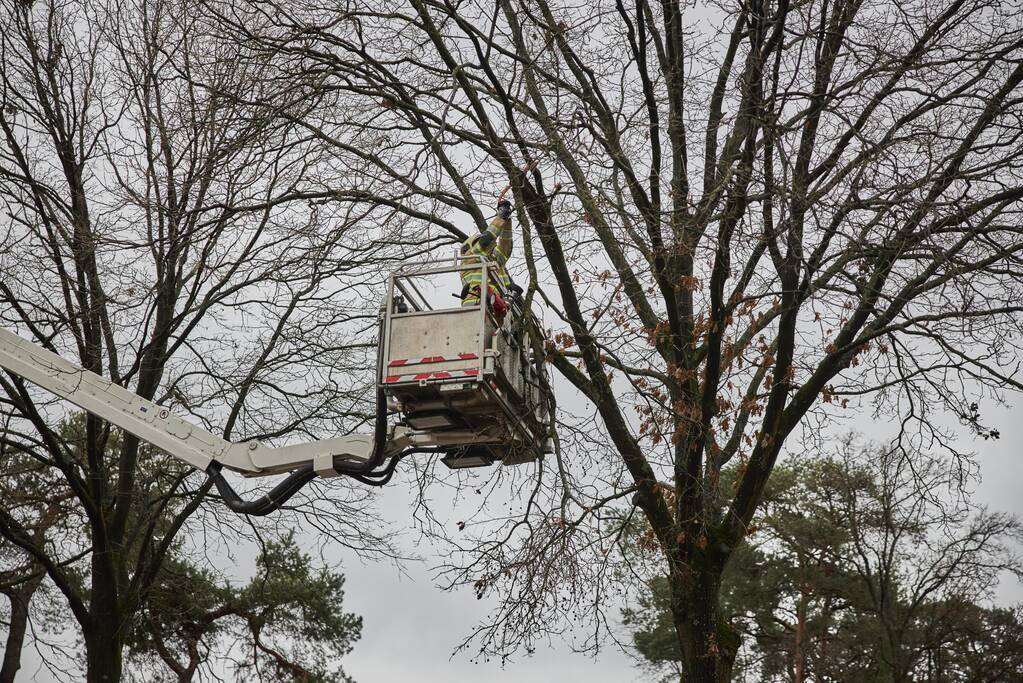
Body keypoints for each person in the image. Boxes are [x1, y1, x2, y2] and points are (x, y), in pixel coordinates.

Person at [460, 199, 516, 307]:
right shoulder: (469, 258)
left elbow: (505, 248)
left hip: (496, 307)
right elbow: (486, 240)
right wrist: (500, 217)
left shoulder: (491, 261)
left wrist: (507, 220)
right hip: (476, 304)